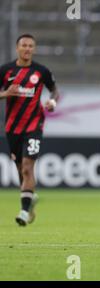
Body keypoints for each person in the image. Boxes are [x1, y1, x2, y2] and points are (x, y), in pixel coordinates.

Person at [0, 34, 60, 226]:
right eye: (24, 45)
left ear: (34, 49)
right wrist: (6, 93)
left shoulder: (41, 71)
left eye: (30, 46)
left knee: (27, 167)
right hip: (12, 128)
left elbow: (54, 89)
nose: (27, 49)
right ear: (17, 48)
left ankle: (24, 212)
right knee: (20, 170)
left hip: (34, 125)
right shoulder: (6, 70)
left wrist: (52, 101)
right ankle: (29, 200)